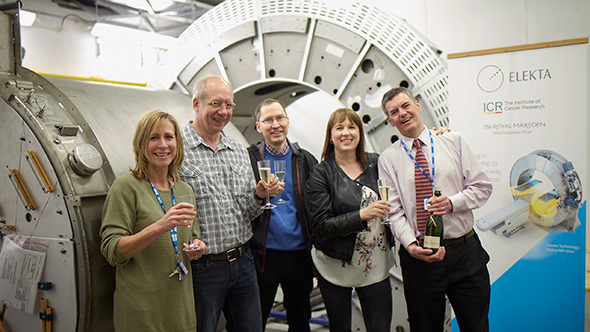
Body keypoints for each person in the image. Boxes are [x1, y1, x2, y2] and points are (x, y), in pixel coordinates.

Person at [378, 87, 493, 332]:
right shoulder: (388, 159)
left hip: (465, 253)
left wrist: (453, 203)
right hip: (420, 258)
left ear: (417, 106)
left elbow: (482, 187)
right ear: (390, 121)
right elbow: (394, 211)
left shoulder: (453, 140)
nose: (403, 113)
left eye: (406, 105)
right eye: (394, 112)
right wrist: (410, 245)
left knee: (477, 327)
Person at [179, 75, 280, 332]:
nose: (223, 112)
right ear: (196, 104)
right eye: (216, 103)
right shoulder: (177, 149)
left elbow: (248, 209)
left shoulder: (237, 148)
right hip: (203, 268)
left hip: (243, 262)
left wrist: (258, 194)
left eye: (229, 105)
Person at [100, 109, 207, 332]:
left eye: (169, 137)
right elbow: (113, 252)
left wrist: (197, 247)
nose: (163, 145)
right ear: (141, 144)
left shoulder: (183, 188)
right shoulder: (126, 187)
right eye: (153, 138)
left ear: (177, 143)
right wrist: (161, 225)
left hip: (180, 310)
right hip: (142, 314)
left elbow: (193, 236)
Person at [306, 108, 394, 331]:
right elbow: (321, 226)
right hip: (334, 266)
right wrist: (361, 215)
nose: (346, 133)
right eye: (339, 128)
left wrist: (436, 136)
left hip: (375, 265)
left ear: (360, 133)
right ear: (331, 135)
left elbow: (406, 160)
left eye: (352, 127)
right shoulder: (321, 173)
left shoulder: (377, 163)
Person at [247, 99, 318, 331]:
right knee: (255, 319)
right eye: (268, 120)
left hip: (299, 255)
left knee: (300, 320)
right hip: (264, 256)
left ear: (287, 122)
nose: (275, 124)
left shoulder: (305, 159)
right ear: (259, 127)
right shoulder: (249, 159)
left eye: (279, 118)